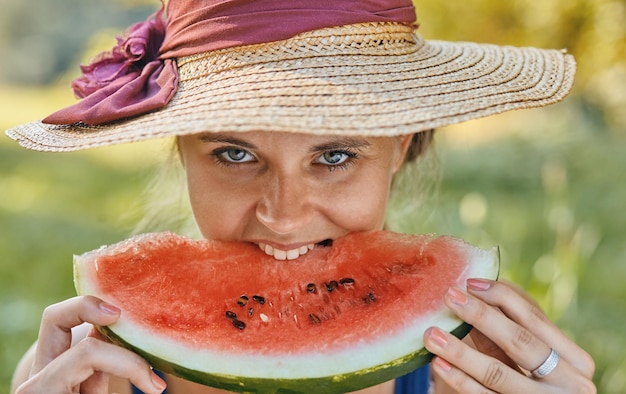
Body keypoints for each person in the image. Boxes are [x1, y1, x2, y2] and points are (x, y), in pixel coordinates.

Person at [6, 0, 595, 393]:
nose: (283, 217)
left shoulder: (479, 374)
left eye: (335, 156)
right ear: (178, 148)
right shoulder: (82, 372)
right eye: (235, 154)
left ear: (402, 147)